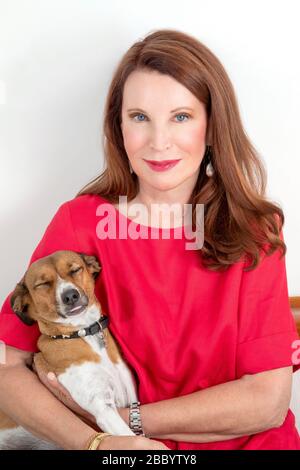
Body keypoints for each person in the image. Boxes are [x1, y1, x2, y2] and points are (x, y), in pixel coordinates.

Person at [0, 28, 299, 451]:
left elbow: (266, 402)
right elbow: (7, 366)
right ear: (118, 127)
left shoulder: (254, 229)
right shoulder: (80, 222)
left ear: (212, 127)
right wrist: (99, 444)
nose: (159, 142)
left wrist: (124, 422)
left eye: (181, 116)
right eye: (139, 117)